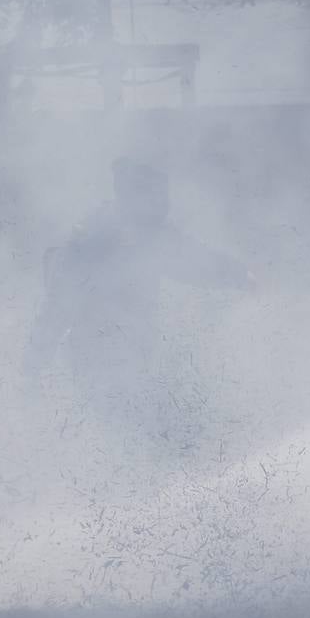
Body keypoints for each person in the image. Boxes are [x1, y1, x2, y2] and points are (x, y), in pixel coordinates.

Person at [23, 159, 253, 450]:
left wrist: (241, 275)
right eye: (156, 194)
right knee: (121, 434)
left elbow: (193, 260)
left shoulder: (151, 232)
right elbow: (56, 306)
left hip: (138, 354)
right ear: (132, 196)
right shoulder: (91, 241)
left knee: (153, 430)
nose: (164, 203)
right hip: (97, 358)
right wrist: (32, 368)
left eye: (163, 194)